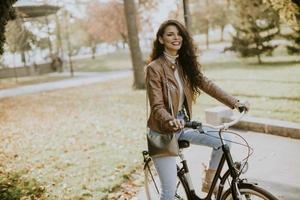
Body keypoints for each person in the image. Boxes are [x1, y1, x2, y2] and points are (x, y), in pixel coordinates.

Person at [145, 19, 250, 200]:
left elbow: (207, 84)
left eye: (179, 34)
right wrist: (170, 119)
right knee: (168, 193)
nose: (176, 38)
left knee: (224, 140)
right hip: (163, 132)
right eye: (170, 34)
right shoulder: (154, 68)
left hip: (183, 123)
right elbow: (157, 106)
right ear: (161, 39)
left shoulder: (184, 65)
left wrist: (235, 102)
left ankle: (209, 181)